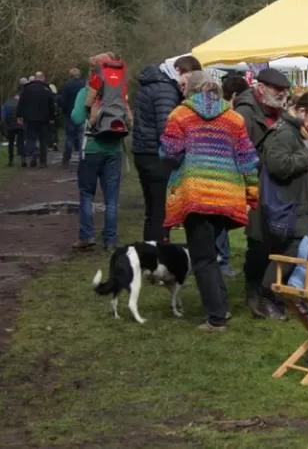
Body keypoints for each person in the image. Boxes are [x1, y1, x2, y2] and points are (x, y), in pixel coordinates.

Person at [160, 71, 259, 332]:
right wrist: (252, 195)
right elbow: (248, 160)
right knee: (210, 255)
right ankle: (222, 308)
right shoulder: (234, 118)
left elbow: (170, 153)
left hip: (195, 195)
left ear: (190, 89)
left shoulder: (180, 115)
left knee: (202, 259)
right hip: (226, 195)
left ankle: (216, 319)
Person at [255, 91, 308, 320]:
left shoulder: (298, 131)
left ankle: (280, 296)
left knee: (294, 250)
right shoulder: (285, 133)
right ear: (302, 111)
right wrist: (307, 157)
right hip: (289, 206)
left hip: (298, 205)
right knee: (291, 251)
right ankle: (265, 298)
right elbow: (278, 165)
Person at [236, 68, 291, 316]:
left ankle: (270, 291)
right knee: (258, 241)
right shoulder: (245, 113)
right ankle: (253, 292)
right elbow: (239, 152)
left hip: (278, 186)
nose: (282, 95)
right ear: (261, 89)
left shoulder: (280, 112)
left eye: (284, 91)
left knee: (277, 240)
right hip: (254, 184)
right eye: (277, 90)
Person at [133, 55, 202, 243]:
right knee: (161, 213)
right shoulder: (166, 91)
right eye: (188, 77)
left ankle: (149, 250)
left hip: (142, 151)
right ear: (179, 71)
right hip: (157, 157)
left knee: (151, 211)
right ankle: (159, 253)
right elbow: (167, 129)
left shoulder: (152, 84)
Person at [71, 54, 130, 251]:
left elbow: (76, 118)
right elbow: (128, 120)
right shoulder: (119, 92)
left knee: (87, 194)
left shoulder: (86, 91)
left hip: (92, 148)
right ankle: (110, 240)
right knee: (111, 198)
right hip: (114, 149)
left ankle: (87, 236)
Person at [214, 75, 251, 278]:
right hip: (226, 174)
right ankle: (222, 261)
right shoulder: (232, 116)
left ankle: (221, 259)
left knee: (221, 219)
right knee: (221, 218)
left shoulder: (226, 114)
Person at [17, 71, 55, 168]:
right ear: (43, 78)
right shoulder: (47, 89)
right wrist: (52, 117)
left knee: (30, 138)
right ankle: (43, 161)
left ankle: (32, 154)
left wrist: (19, 115)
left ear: (35, 77)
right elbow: (51, 104)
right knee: (43, 140)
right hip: (44, 118)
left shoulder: (26, 88)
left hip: (29, 118)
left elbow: (21, 102)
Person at [59, 68, 86, 167]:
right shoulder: (84, 85)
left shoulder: (67, 86)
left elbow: (63, 100)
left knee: (69, 137)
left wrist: (64, 111)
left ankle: (66, 158)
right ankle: (82, 158)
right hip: (82, 114)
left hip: (70, 114)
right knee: (81, 137)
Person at [1, 79, 26, 166]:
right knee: (21, 142)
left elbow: (3, 116)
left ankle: (11, 160)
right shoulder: (21, 102)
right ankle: (23, 160)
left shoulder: (6, 103)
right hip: (20, 125)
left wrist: (7, 124)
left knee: (11, 143)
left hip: (10, 126)